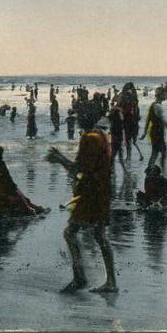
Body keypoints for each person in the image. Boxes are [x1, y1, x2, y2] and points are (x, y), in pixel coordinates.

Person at [49, 101, 117, 293]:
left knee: (70, 233)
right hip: (103, 190)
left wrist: (59, 159)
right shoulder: (102, 135)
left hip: (91, 192)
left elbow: (78, 170)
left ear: (86, 118)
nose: (77, 118)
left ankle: (80, 277)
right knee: (100, 235)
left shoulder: (89, 138)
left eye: (80, 116)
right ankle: (111, 282)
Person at [141, 91, 167, 175]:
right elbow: (162, 121)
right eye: (164, 96)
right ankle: (162, 172)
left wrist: (145, 132)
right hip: (157, 132)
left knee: (155, 152)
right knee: (162, 153)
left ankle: (151, 170)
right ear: (160, 97)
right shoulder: (157, 106)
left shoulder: (152, 106)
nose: (165, 97)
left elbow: (148, 120)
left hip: (154, 132)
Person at [120, 82, 144, 162]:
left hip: (128, 121)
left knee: (128, 140)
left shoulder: (125, 96)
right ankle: (140, 155)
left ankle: (129, 157)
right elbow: (138, 115)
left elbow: (121, 107)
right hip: (134, 122)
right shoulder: (134, 99)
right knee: (133, 141)